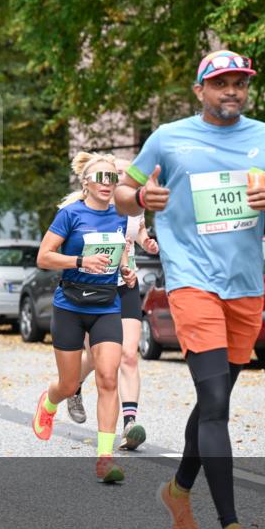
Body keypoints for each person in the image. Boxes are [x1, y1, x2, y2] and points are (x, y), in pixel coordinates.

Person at [115, 49, 265, 529]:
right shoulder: (168, 138)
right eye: (221, 83)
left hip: (245, 290)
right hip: (192, 283)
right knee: (217, 404)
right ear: (200, 90)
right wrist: (142, 197)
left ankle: (177, 492)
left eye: (239, 83)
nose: (232, 91)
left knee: (210, 402)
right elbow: (125, 194)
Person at [31, 152, 136, 484]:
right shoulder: (70, 214)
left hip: (106, 305)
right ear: (86, 183)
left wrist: (126, 270)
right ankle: (49, 403)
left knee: (108, 379)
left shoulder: (121, 216)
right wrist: (79, 262)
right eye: (100, 178)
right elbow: (44, 257)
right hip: (71, 305)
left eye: (112, 178)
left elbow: (120, 253)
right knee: (68, 383)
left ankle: (105, 458)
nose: (107, 183)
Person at [66, 158, 160, 452]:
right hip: (93, 289)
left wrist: (147, 242)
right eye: (115, 172)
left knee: (129, 354)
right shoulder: (89, 206)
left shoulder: (133, 205)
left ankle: (130, 424)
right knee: (99, 359)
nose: (119, 177)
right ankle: (73, 385)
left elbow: (138, 232)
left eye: (124, 173)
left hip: (125, 284)